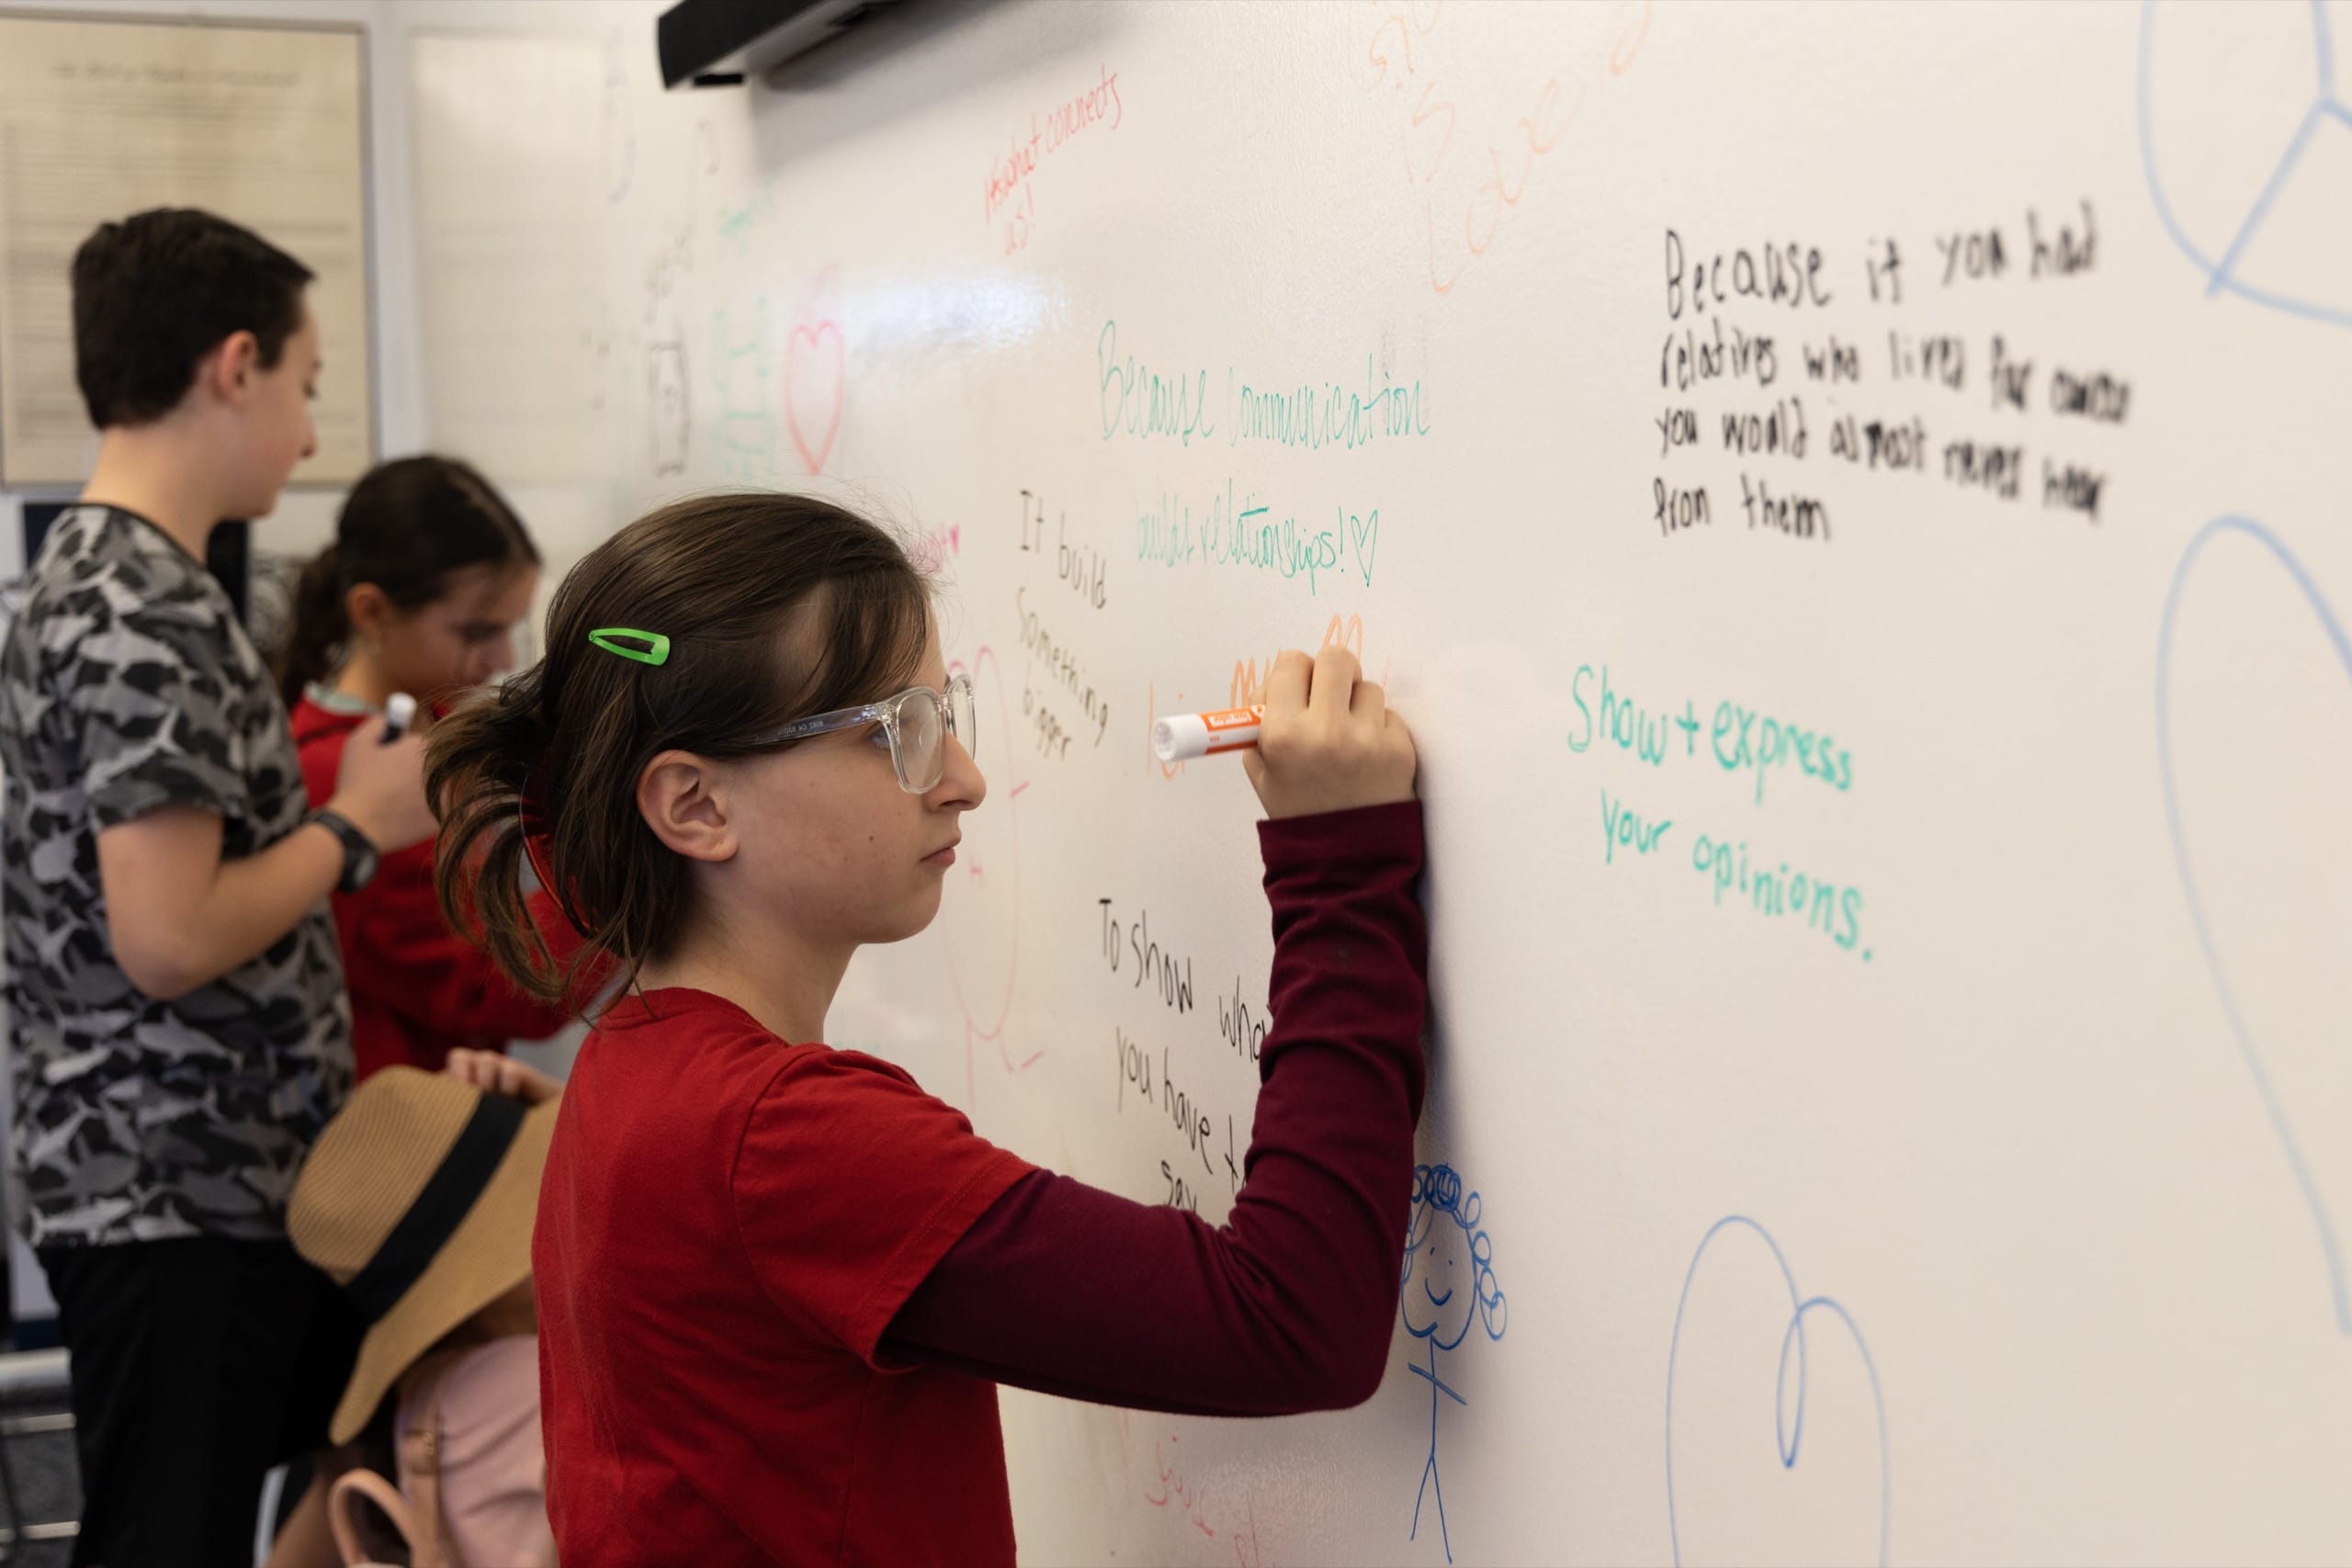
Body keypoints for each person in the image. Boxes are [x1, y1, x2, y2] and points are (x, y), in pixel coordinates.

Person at [427, 492, 1430, 1564]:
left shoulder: (637, 1055)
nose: (963, 780)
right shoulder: (777, 1140)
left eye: (941, 714)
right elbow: (1291, 1327)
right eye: (896, 731)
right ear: (695, 808)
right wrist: (1341, 862)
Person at [0, 207, 434, 1566]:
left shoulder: (101, 577)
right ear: (233, 364)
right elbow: (171, 932)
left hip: (193, 1183)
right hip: (173, 1192)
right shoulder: (143, 603)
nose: (310, 437)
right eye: (305, 386)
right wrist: (360, 821)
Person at [279, 456, 593, 1080]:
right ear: (371, 612)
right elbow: (493, 985)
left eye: (510, 628)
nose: (502, 659)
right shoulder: (337, 776)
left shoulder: (443, 720)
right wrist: (616, 875)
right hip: (400, 1135)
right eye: (478, 631)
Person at [288, 1052, 563, 1568]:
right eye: (545, 1184)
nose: (568, 1199)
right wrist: (563, 1104)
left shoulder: (426, 1398)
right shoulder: (542, 1392)